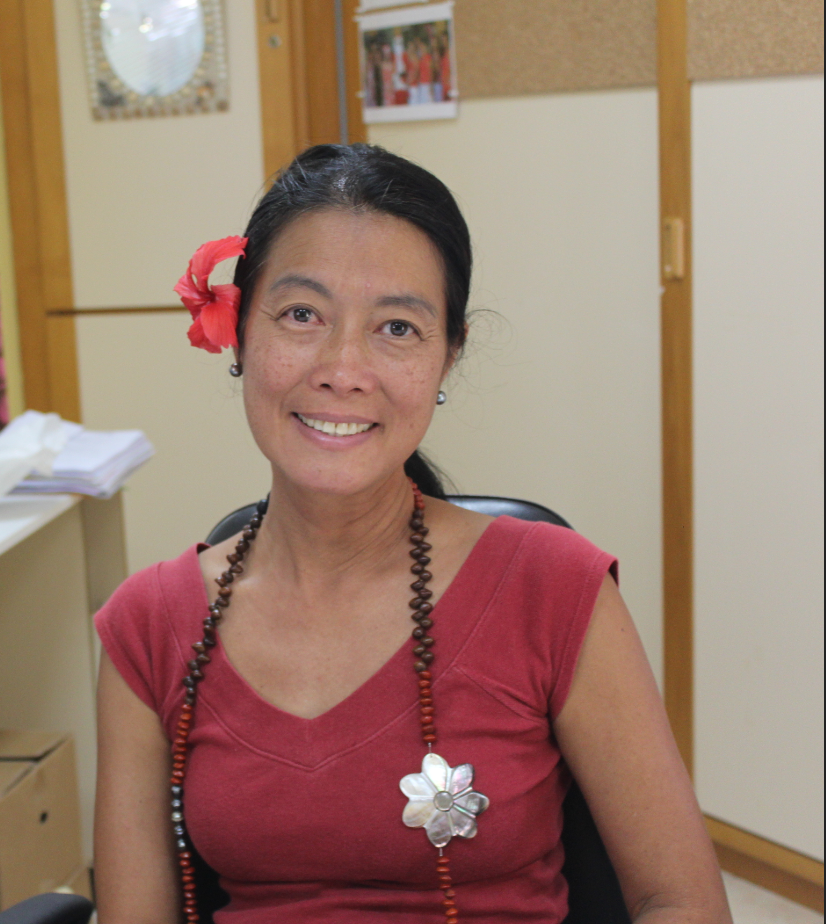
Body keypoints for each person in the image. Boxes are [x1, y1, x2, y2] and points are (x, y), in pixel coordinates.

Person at [93, 144, 732, 923]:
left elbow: (680, 903)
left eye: (396, 327)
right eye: (301, 315)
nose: (342, 366)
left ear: (447, 356)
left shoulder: (555, 590)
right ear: (237, 329)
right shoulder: (147, 626)